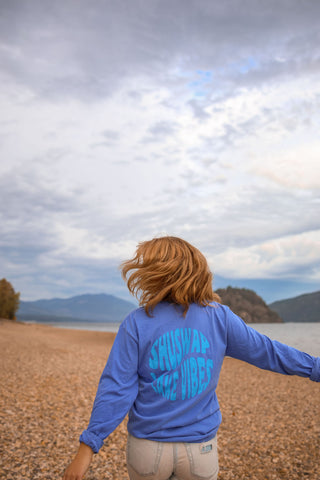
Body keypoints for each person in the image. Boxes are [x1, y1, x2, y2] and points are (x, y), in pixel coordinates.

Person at [63, 236, 320, 480]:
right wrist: (314, 367)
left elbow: (117, 388)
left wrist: (88, 447)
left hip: (148, 450)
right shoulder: (219, 317)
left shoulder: (136, 322)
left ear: (158, 274)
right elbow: (268, 352)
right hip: (200, 451)